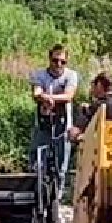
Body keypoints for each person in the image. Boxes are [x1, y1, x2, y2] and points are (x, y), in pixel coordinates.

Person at [29, 45, 80, 187]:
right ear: (49, 59)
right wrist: (43, 97)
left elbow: (69, 95)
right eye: (55, 60)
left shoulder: (71, 75)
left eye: (63, 62)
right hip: (43, 123)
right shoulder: (39, 75)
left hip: (63, 126)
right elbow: (36, 92)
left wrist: (49, 98)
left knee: (61, 166)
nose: (58, 64)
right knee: (37, 162)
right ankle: (37, 191)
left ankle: (57, 197)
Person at [69, 71, 112, 143]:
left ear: (99, 85)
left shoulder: (100, 106)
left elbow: (78, 132)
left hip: (100, 146)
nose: (92, 90)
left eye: (94, 86)